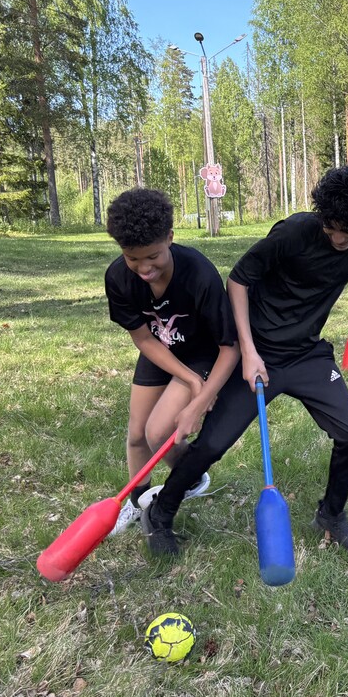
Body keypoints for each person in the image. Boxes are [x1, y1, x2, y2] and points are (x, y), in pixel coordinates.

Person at [138, 166, 348, 558]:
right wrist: (248, 352)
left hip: (306, 354)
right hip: (259, 354)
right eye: (330, 230)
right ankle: (161, 512)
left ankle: (330, 515)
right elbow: (238, 280)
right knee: (212, 445)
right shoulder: (295, 232)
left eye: (346, 235)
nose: (337, 240)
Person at [103, 189, 239, 535]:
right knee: (137, 434)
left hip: (203, 352)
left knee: (158, 432)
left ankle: (190, 476)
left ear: (170, 238)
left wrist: (202, 394)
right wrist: (190, 380)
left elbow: (230, 348)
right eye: (132, 258)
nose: (144, 268)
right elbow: (144, 339)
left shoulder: (199, 274)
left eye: (153, 256)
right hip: (161, 349)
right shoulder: (118, 277)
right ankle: (138, 502)